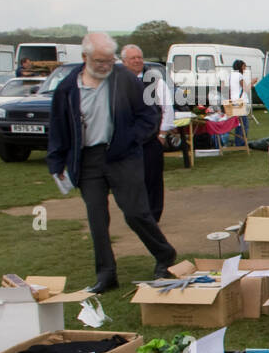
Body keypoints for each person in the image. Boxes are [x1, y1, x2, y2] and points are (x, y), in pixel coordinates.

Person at [47, 32, 177, 293]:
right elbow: (58, 127)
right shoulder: (67, 88)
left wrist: (132, 139)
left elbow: (150, 114)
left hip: (122, 156)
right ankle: (106, 273)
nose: (106, 66)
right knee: (96, 218)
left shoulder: (125, 80)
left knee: (135, 212)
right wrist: (56, 163)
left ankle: (164, 255)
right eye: (99, 61)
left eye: (109, 60)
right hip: (87, 161)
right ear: (85, 58)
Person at [119, 44, 174, 222]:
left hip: (151, 141)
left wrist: (162, 135)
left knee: (152, 180)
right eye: (133, 58)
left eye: (139, 57)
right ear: (124, 62)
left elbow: (167, 108)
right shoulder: (117, 83)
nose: (137, 61)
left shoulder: (155, 81)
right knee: (130, 180)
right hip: (126, 142)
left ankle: (153, 215)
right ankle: (135, 214)